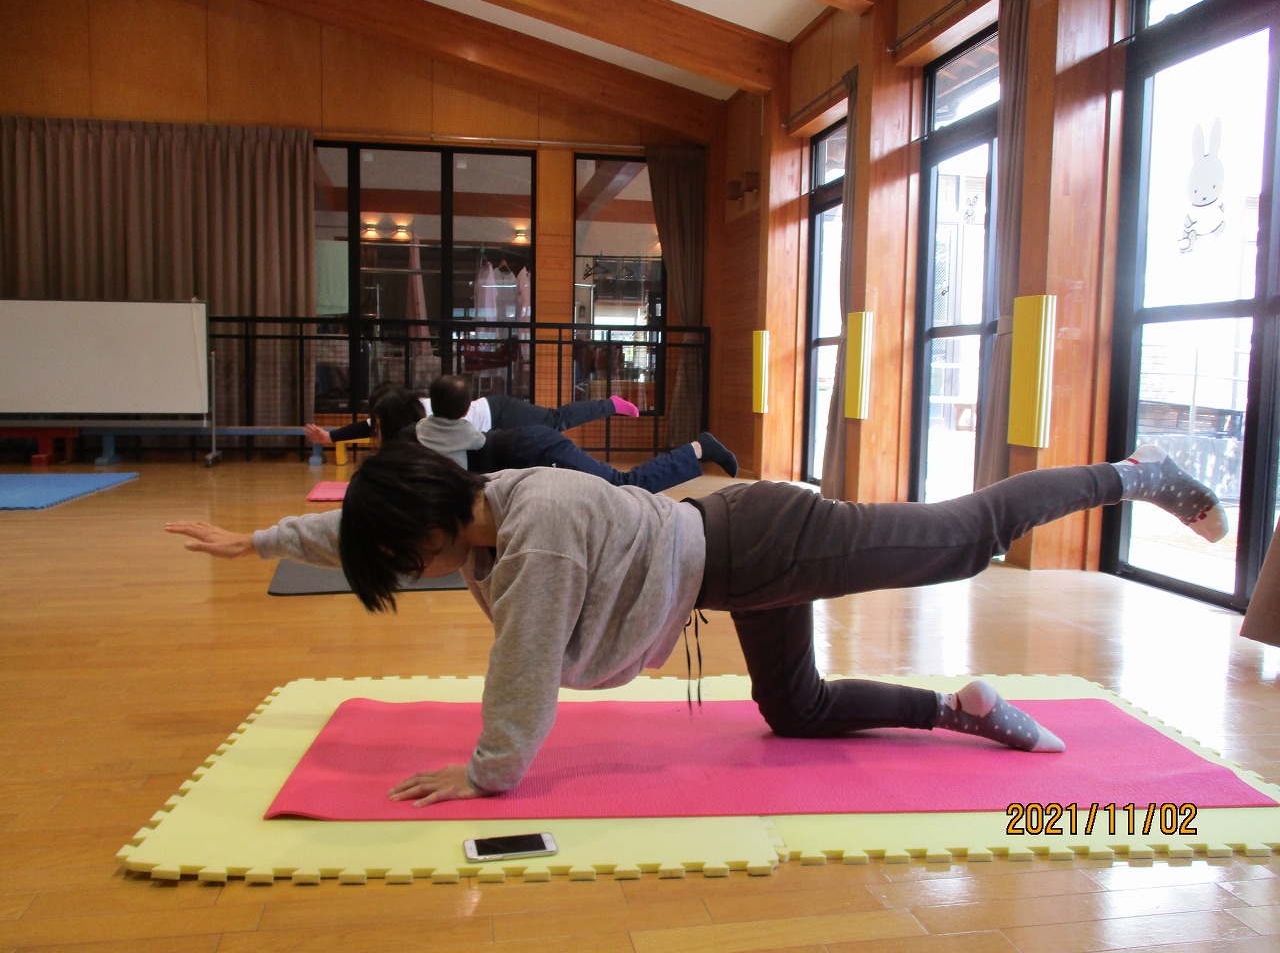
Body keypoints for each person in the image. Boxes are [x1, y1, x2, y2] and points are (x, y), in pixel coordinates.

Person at [166, 441, 1229, 807]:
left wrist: (488, 773)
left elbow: (523, 667)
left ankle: (1135, 473)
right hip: (730, 566)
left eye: (410, 562)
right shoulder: (476, 501)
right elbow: (366, 526)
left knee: (963, 537)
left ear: (436, 526)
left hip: (767, 542)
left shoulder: (533, 541)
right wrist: (256, 542)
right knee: (797, 711)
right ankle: (961, 712)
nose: (417, 574)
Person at [373, 384, 739, 490]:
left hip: (536, 445)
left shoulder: (436, 437)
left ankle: (699, 448)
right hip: (526, 445)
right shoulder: (418, 433)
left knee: (622, 484)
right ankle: (697, 449)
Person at [303, 378, 639, 447]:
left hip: (498, 412)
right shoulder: (404, 415)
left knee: (555, 421)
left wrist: (331, 437)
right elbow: (367, 425)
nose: (377, 425)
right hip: (490, 425)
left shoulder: (424, 412)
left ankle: (610, 404)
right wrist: (331, 436)